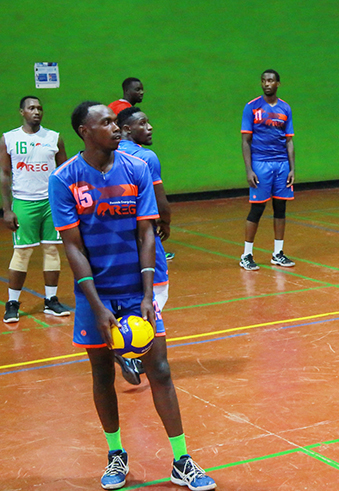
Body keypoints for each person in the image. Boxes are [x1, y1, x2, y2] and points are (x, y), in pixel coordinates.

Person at [49, 101, 215, 490]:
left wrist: (147, 294)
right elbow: (72, 247)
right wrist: (96, 305)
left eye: (114, 120)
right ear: (84, 132)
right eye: (105, 122)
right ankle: (116, 455)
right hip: (96, 292)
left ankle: (182, 460)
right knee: (103, 373)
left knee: (159, 370)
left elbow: (146, 232)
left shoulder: (136, 168)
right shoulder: (64, 178)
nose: (115, 127)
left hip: (135, 288)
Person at [112, 106, 173, 386]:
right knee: (157, 292)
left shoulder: (107, 155)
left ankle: (124, 341)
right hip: (143, 233)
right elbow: (160, 201)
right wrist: (166, 222)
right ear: (126, 129)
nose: (150, 128)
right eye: (143, 123)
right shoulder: (146, 157)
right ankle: (132, 349)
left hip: (114, 240)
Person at [1, 96, 71, 323]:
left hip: (50, 203)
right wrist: (6, 209)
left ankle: (51, 300)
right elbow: (4, 174)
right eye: (31, 108)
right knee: (22, 252)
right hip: (23, 201)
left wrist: (67, 202)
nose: (36, 111)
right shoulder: (9, 139)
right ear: (22, 112)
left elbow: (64, 172)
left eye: (39, 108)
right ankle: (12, 303)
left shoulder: (54, 138)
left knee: (52, 250)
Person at [239, 69, 295, 270]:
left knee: (281, 208)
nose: (266, 83)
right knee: (257, 208)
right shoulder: (252, 107)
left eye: (270, 80)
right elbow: (246, 141)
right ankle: (247, 255)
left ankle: (277, 253)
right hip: (261, 164)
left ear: (278, 83)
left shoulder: (285, 108)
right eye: (263, 80)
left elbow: (289, 142)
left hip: (281, 165)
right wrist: (249, 170)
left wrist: (292, 169)